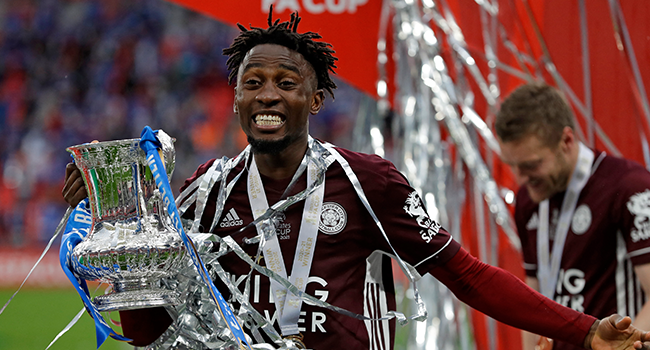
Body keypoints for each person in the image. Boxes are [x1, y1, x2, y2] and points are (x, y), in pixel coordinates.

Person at [62, 9, 650, 350]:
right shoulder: (203, 192)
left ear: (314, 100)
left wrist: (584, 330)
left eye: (286, 83)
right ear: (237, 100)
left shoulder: (367, 181)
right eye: (253, 81)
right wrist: (130, 229)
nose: (268, 94)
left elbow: (466, 275)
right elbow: (146, 332)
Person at [495, 82, 650, 350]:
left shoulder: (629, 187)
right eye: (513, 165)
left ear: (567, 141)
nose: (520, 178)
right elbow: (532, 296)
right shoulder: (529, 199)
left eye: (530, 165)